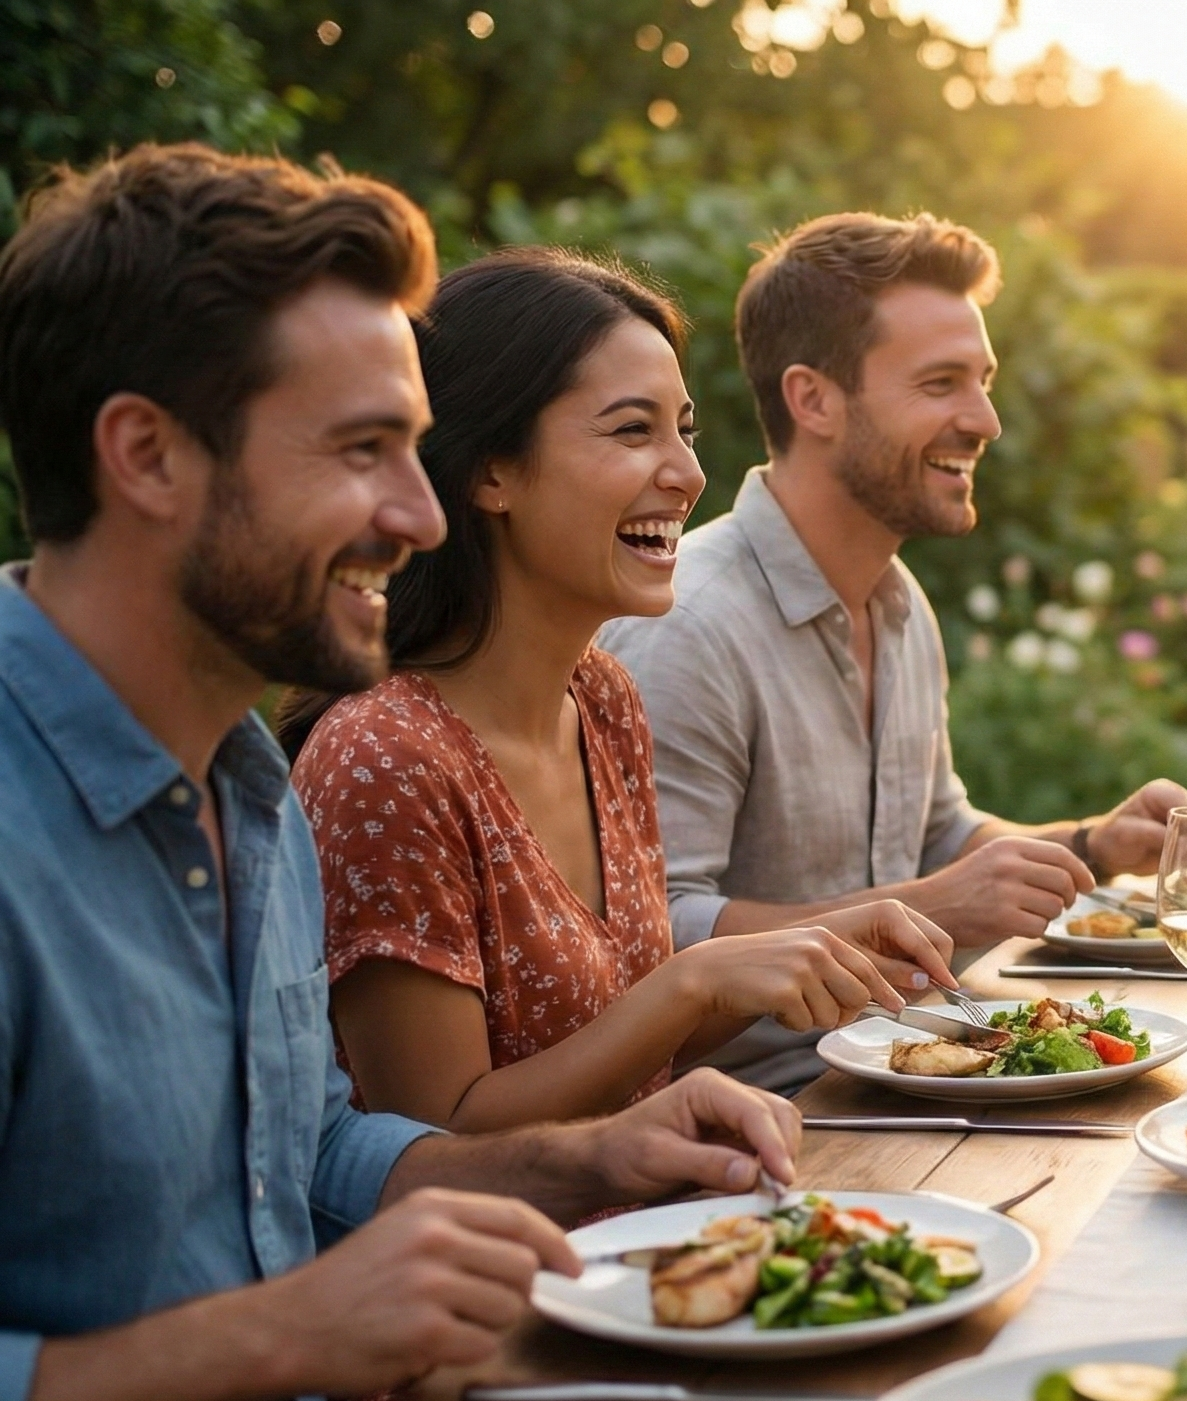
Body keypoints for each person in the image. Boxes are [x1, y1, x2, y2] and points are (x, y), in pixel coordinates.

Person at [0, 143, 804, 1401]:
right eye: (363, 451)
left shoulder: (248, 786)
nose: (423, 516)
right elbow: (299, 1302)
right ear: (144, 456)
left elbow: (307, 1155)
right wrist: (291, 1334)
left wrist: (590, 1158)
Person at [285, 249, 955, 1131]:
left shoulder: (600, 698)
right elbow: (437, 1142)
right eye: (632, 431)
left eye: (685, 430)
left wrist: (804, 954)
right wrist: (693, 980)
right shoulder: (385, 760)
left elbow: (630, 1058)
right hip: (514, 1265)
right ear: (491, 472)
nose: (687, 473)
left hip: (662, 1229)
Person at [603, 212, 1187, 1094]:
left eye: (983, 381)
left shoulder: (899, 602)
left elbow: (936, 834)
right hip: (759, 1115)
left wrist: (1094, 844)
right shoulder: (688, 625)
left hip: (913, 1070)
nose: (986, 419)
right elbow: (655, 938)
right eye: (942, 383)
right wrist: (929, 906)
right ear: (815, 400)